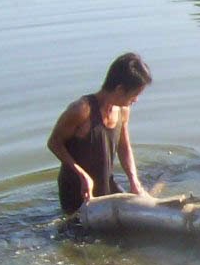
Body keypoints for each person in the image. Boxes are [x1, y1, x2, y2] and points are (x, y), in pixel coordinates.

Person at [47, 53, 153, 214]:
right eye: (135, 95)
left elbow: (124, 147)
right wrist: (81, 175)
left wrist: (133, 180)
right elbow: (54, 142)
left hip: (106, 184)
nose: (136, 100)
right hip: (78, 190)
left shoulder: (123, 110)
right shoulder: (81, 110)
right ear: (119, 89)